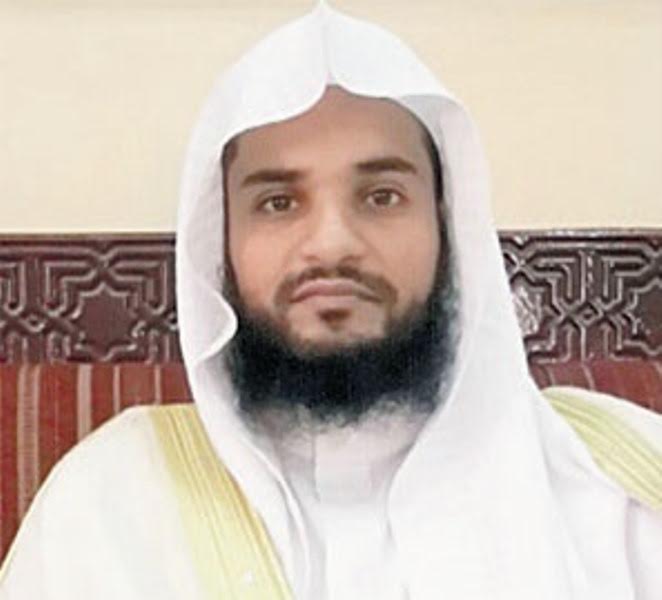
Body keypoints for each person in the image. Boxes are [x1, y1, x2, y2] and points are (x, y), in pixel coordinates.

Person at [1, 3, 660, 599]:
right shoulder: (110, 502)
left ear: (448, 227)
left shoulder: (628, 488)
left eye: (382, 196)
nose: (332, 243)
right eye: (277, 202)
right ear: (221, 245)